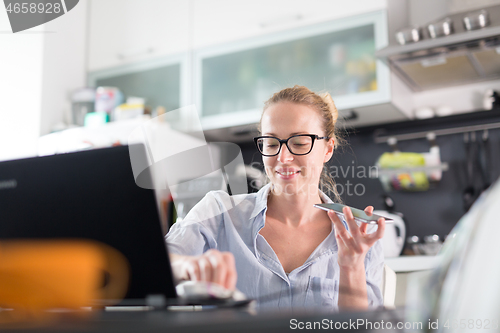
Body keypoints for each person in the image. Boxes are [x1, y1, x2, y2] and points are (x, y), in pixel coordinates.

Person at [166, 85, 385, 310]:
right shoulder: (218, 212)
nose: (283, 157)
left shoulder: (360, 237)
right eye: (271, 143)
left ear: (327, 149)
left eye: (299, 142)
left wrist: (352, 267)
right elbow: (158, 262)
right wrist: (188, 266)